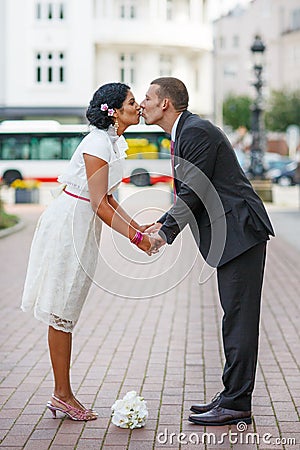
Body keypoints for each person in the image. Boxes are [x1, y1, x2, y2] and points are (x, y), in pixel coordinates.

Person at [141, 77, 275, 426]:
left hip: (240, 232)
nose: (143, 104)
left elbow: (195, 191)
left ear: (165, 103)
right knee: (234, 318)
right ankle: (232, 393)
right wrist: (161, 223)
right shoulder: (186, 131)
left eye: (148, 98)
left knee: (239, 320)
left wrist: (165, 233)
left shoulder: (196, 131)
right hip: (232, 234)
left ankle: (236, 402)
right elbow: (191, 190)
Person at [21, 82, 156, 421]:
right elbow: (98, 203)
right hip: (70, 226)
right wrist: (137, 241)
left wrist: (140, 229)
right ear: (113, 111)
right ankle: (62, 395)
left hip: (82, 224)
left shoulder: (112, 142)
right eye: (130, 101)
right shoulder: (98, 143)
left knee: (67, 307)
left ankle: (62, 393)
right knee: (61, 310)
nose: (138, 105)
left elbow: (109, 200)